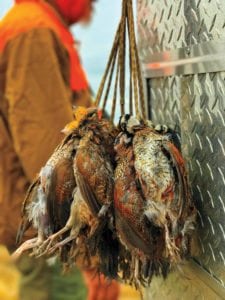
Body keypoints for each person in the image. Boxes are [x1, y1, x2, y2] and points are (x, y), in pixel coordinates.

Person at [0, 0, 120, 299]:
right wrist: (86, 250)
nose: (93, 5)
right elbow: (49, 155)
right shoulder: (34, 32)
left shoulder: (39, 24)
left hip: (45, 224)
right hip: (47, 229)